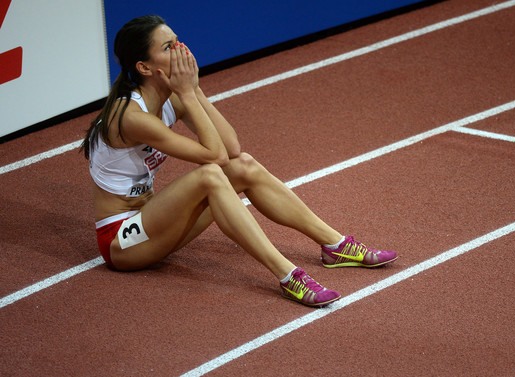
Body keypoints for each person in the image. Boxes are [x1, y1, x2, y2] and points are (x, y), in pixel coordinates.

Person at [80, 15, 398, 308]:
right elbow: (215, 157)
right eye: (168, 47)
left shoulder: (171, 99)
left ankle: (335, 245)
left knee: (243, 165)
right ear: (145, 67)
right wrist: (188, 96)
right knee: (210, 176)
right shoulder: (130, 117)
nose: (180, 51)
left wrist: (195, 93)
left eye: (178, 41)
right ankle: (289, 276)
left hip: (156, 221)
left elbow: (231, 148)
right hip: (123, 241)